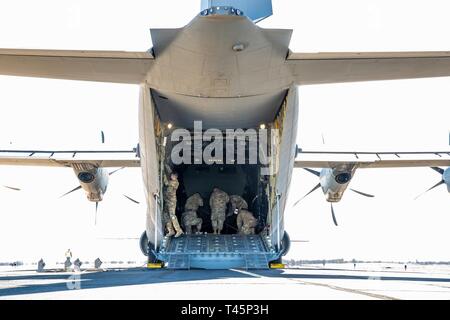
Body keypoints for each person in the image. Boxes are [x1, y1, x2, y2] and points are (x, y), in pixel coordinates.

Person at [163, 167, 184, 238]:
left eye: (173, 176)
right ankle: (170, 230)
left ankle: (178, 230)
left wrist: (163, 174)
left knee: (172, 215)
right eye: (171, 176)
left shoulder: (175, 182)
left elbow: (166, 183)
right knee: (166, 215)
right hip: (167, 201)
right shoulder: (172, 181)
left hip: (171, 202)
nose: (172, 177)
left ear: (176, 177)